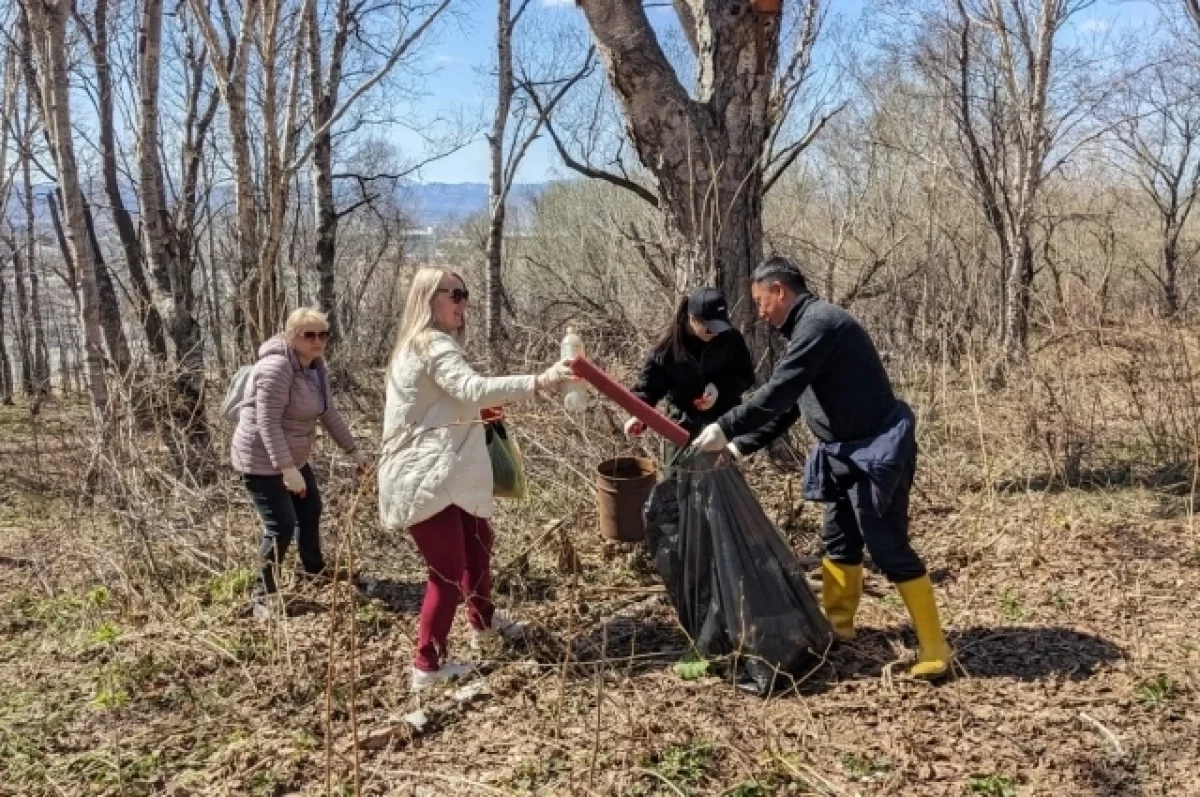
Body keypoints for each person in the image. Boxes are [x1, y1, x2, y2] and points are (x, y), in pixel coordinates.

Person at [691, 257, 952, 680]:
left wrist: (725, 425)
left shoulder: (821, 323)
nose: (759, 312)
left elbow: (778, 391)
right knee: (839, 539)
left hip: (876, 452)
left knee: (886, 545)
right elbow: (791, 406)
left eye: (760, 301)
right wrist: (738, 446)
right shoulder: (804, 333)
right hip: (841, 454)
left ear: (779, 290)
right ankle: (839, 627)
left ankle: (936, 646)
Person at [378, 267, 575, 691]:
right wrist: (540, 381)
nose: (463, 303)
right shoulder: (431, 343)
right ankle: (427, 666)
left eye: (465, 294)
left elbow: (444, 403)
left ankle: (483, 624)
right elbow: (470, 388)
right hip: (425, 476)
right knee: (447, 571)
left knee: (479, 543)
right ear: (429, 299)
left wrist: (480, 411)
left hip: (444, 472)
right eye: (455, 294)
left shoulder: (426, 345)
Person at [231, 307, 370, 618]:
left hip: (292, 455)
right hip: (259, 458)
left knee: (310, 509)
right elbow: (267, 423)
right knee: (280, 526)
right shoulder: (276, 367)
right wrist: (287, 469)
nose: (317, 341)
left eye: (323, 334)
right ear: (292, 336)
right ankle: (263, 596)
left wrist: (353, 451)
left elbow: (328, 412)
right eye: (309, 335)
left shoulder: (315, 366)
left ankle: (314, 571)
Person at [626, 287, 757, 453]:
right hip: (681, 428)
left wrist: (719, 389)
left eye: (720, 326)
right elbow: (647, 391)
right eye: (710, 328)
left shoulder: (731, 339)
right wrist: (639, 417)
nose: (716, 333)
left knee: (721, 469)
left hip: (721, 426)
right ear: (693, 319)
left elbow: (745, 376)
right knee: (678, 470)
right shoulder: (667, 349)